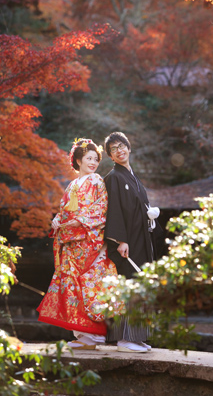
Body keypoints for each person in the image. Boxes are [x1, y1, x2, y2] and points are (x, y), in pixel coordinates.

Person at [37, 138, 121, 350]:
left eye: (95, 159)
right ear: (78, 160)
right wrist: (58, 220)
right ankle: (83, 335)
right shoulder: (73, 184)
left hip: (88, 242)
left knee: (88, 284)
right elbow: (66, 210)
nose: (93, 163)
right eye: (88, 158)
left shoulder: (96, 181)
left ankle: (94, 335)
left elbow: (101, 208)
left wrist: (81, 220)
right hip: (71, 243)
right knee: (72, 284)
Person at [104, 131, 164, 353]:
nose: (119, 151)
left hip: (141, 240)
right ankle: (124, 338)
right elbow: (114, 210)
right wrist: (120, 239)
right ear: (110, 156)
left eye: (122, 146)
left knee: (141, 285)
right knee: (128, 286)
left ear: (129, 147)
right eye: (114, 149)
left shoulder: (133, 177)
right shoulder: (114, 177)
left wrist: (150, 215)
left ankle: (137, 337)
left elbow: (137, 208)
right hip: (127, 242)